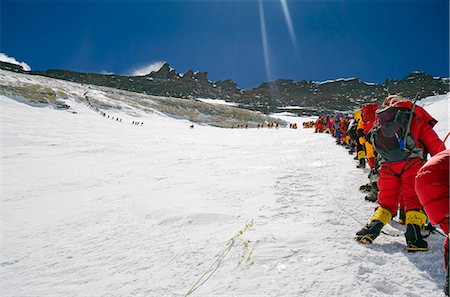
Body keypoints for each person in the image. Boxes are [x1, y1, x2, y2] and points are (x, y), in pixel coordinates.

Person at [355, 95, 445, 251]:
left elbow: (376, 144)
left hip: (387, 167)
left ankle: (370, 231)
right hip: (412, 165)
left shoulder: (382, 119)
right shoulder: (414, 116)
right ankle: (414, 239)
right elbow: (435, 146)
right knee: (413, 201)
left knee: (386, 203)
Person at [415, 149, 449, 295]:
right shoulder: (420, 125)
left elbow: (438, 149)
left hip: (423, 178)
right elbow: (434, 143)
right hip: (439, 180)